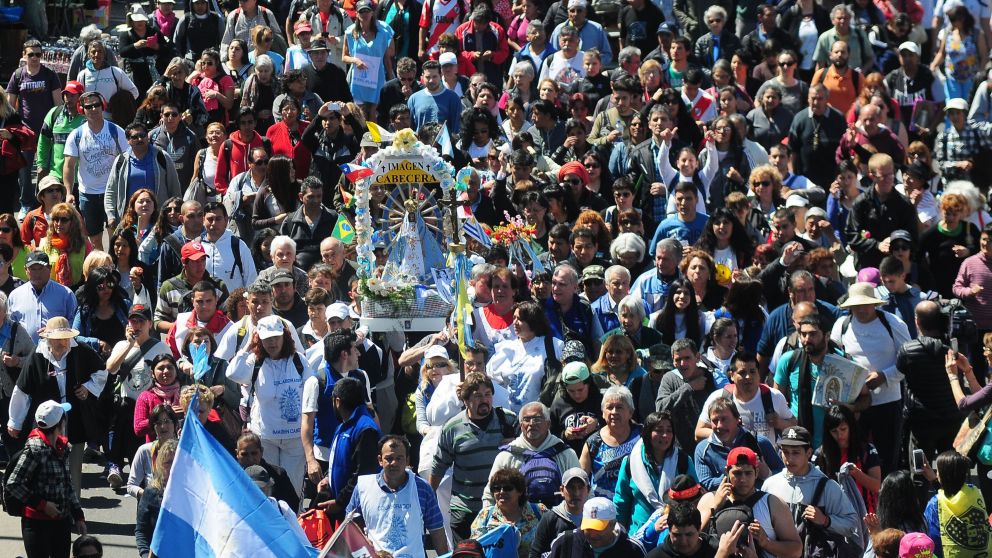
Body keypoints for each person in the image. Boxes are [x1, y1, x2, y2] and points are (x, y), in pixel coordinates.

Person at [7, 317, 106, 499]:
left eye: (65, 337)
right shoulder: (37, 356)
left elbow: (101, 371)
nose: (62, 342)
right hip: (47, 422)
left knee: (74, 467)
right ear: (48, 339)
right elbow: (22, 390)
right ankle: (51, 508)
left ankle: (73, 510)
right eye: (58, 338)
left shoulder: (81, 351)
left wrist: (88, 388)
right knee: (47, 466)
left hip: (75, 419)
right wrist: (15, 421)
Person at [830, 282, 912, 475]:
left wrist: (885, 376)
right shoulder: (842, 326)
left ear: (874, 304)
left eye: (865, 304)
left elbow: (909, 360)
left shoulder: (893, 323)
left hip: (887, 402)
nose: (861, 309)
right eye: (856, 305)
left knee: (887, 456)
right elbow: (834, 361)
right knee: (855, 456)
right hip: (854, 405)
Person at [227, 314, 311, 498]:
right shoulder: (255, 361)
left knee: (293, 490)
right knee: (266, 488)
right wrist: (248, 345)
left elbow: (311, 392)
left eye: (275, 337)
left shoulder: (299, 361)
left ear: (284, 336)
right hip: (265, 438)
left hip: (294, 438)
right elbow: (232, 373)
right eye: (266, 339)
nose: (272, 343)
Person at [430, 373, 521, 541]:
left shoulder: (508, 420)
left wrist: (516, 443)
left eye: (487, 394)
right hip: (464, 510)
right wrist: (428, 499)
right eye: (478, 396)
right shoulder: (452, 428)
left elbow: (528, 454)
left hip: (501, 508)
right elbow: (439, 467)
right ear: (465, 400)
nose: (484, 399)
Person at [762, 426, 864, 555]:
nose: (789, 458)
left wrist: (826, 521)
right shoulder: (770, 484)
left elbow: (852, 525)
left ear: (809, 453)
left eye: (796, 452)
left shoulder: (828, 487)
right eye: (785, 452)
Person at [4, 400, 87, 558]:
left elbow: (66, 484)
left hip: (61, 522)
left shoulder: (61, 448)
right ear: (60, 424)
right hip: (36, 525)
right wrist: (41, 504)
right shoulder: (35, 450)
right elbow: (13, 483)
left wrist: (78, 515)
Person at [346, 435, 449, 556]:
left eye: (399, 458)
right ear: (380, 460)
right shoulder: (363, 488)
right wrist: (362, 540)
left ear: (407, 460)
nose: (394, 463)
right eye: (389, 458)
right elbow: (349, 525)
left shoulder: (422, 488)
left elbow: (436, 529)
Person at [696, 446, 802, 558]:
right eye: (737, 473)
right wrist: (715, 507)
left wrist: (766, 542)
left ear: (756, 473)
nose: (743, 479)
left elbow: (796, 550)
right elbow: (690, 539)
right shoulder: (709, 500)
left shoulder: (773, 503)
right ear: (727, 471)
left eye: (748, 473)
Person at [62, 90, 127, 250]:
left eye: (96, 105)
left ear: (102, 106)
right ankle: (102, 269)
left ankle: (116, 269)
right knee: (95, 239)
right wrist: (69, 192)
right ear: (82, 109)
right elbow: (69, 166)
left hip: (112, 193)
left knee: (116, 236)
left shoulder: (116, 131)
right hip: (88, 195)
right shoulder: (76, 135)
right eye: (88, 106)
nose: (93, 109)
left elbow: (127, 159)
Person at [483, 402, 580, 507]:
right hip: (517, 520)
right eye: (526, 419)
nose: (532, 423)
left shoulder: (566, 453)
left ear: (548, 424)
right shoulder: (507, 456)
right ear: (520, 425)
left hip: (557, 519)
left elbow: (582, 489)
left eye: (537, 419)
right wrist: (489, 519)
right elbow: (490, 493)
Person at [613, 411, 696, 533]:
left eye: (669, 431)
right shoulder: (631, 462)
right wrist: (619, 534)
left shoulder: (683, 460)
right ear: (647, 433)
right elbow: (621, 502)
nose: (665, 435)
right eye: (659, 430)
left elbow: (695, 497)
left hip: (675, 536)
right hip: (637, 535)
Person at [315, 376, 381, 519]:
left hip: (356, 512)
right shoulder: (345, 425)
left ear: (337, 401)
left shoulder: (365, 429)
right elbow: (340, 461)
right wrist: (328, 479)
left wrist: (340, 502)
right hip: (342, 507)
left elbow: (363, 473)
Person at [696, 352, 795, 446]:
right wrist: (726, 434)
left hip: (767, 461)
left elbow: (794, 426)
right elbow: (699, 432)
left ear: (758, 373)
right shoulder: (718, 398)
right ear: (731, 375)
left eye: (752, 372)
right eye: (742, 372)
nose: (748, 377)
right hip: (732, 461)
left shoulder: (774, 396)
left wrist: (780, 423)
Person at [104, 122, 182, 233]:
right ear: (128, 140)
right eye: (134, 137)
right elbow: (111, 190)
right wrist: (111, 215)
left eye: (142, 135)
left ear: (148, 136)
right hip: (129, 218)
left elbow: (175, 188)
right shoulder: (121, 161)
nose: (139, 139)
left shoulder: (162, 157)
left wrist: (176, 211)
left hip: (158, 217)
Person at [813, 404, 882, 513]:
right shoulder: (820, 454)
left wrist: (856, 474)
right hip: (833, 516)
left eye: (843, 429)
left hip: (865, 515)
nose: (839, 435)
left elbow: (877, 486)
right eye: (834, 431)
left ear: (851, 427)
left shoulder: (867, 450)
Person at [579, 386, 641, 501]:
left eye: (619, 407)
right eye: (610, 407)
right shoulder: (593, 443)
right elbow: (580, 478)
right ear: (602, 413)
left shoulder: (642, 436)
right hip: (603, 508)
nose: (614, 412)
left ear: (630, 412)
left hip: (636, 504)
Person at [657, 339, 715, 454]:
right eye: (678, 360)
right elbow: (660, 408)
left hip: (707, 447)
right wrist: (689, 387)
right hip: (679, 450)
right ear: (673, 362)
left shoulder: (710, 376)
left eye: (687, 358)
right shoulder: (669, 378)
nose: (683, 363)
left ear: (697, 357)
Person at [8, 251, 78, 345]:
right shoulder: (15, 296)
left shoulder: (65, 294)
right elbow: (10, 326)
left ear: (49, 268)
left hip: (57, 351)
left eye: (41, 269)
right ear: (26, 270)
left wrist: (57, 331)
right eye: (32, 269)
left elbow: (75, 324)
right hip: (26, 354)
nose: (37, 273)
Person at [787, 85, 847, 190]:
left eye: (820, 99)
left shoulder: (838, 118)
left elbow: (845, 148)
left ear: (827, 99)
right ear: (808, 99)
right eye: (813, 98)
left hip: (833, 179)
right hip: (806, 180)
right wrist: (793, 174)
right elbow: (793, 150)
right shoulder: (799, 119)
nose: (816, 102)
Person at [547, 497, 646, 558]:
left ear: (612, 524)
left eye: (598, 528)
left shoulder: (632, 550)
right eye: (588, 527)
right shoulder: (565, 543)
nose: (593, 535)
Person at [135, 438, 177, 558]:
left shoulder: (191, 493)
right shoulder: (151, 492)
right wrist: (145, 554)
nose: (173, 466)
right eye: (168, 462)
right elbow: (141, 531)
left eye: (176, 461)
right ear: (160, 465)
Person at [125, 404, 178, 499]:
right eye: (158, 423)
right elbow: (131, 486)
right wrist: (148, 495)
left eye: (167, 421)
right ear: (153, 427)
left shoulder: (183, 451)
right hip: (152, 507)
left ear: (175, 424)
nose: (162, 426)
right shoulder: (145, 451)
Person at [37, 204, 91, 288]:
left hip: (77, 288)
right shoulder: (44, 243)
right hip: (51, 289)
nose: (59, 223)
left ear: (72, 222)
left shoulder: (84, 244)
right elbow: (39, 271)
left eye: (64, 220)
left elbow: (90, 271)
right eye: (56, 219)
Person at [408, 60, 462, 136]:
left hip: (444, 146)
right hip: (420, 146)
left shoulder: (453, 98)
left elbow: (456, 129)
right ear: (422, 77)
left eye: (434, 77)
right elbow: (410, 128)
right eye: (427, 77)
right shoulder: (413, 99)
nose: (431, 80)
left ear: (440, 76)